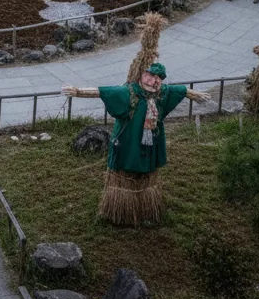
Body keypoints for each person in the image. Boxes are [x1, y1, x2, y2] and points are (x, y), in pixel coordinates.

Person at [63, 12, 210, 225]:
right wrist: (77, 91)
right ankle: (120, 212)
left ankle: (146, 209)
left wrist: (193, 94)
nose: (153, 80)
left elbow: (179, 90)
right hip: (129, 142)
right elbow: (102, 91)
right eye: (149, 76)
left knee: (147, 175)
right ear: (140, 74)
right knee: (125, 174)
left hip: (150, 144)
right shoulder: (128, 92)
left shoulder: (161, 94)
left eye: (158, 78)